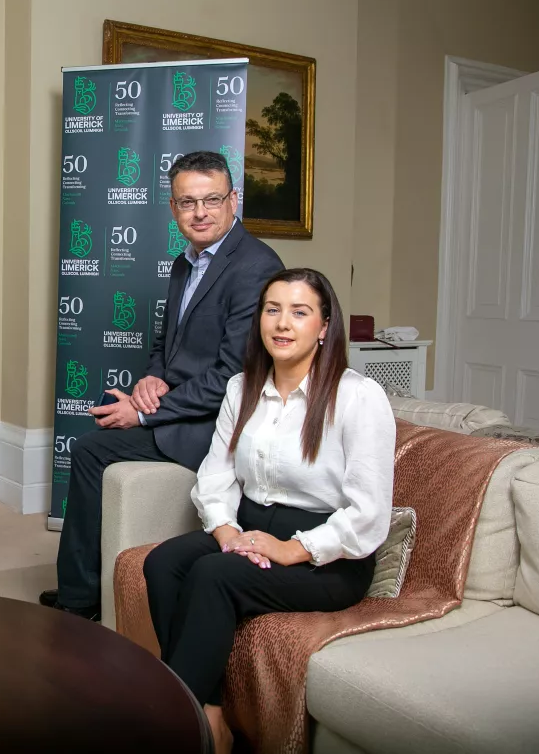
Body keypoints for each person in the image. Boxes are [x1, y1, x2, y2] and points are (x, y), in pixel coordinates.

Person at [143, 268, 394, 754]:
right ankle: (211, 717)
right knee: (163, 563)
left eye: (300, 312)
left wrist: (292, 549)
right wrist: (226, 534)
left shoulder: (358, 397)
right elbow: (216, 474)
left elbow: (368, 512)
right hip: (252, 527)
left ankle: (176, 725)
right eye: (272, 310)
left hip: (330, 557)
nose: (282, 323)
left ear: (324, 327)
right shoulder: (242, 388)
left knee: (214, 577)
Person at [41, 150, 284, 621]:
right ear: (173, 209)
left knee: (92, 449)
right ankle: (81, 589)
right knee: (100, 428)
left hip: (218, 424)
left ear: (233, 200)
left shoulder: (255, 266)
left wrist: (146, 411)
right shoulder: (184, 263)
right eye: (187, 202)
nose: (200, 212)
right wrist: (153, 377)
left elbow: (234, 378)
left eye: (211, 199)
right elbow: (164, 343)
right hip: (184, 406)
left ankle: (79, 600)